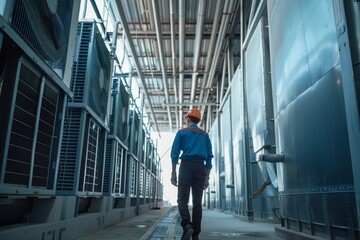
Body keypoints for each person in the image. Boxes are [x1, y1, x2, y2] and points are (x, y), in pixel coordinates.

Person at [170, 108, 213, 240]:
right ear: (198, 120)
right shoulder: (204, 135)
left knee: (182, 200)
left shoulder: (181, 133)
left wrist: (173, 172)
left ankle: (187, 225)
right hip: (200, 167)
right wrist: (207, 177)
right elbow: (209, 157)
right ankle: (195, 235)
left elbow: (175, 154)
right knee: (197, 202)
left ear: (188, 119)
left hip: (186, 166)